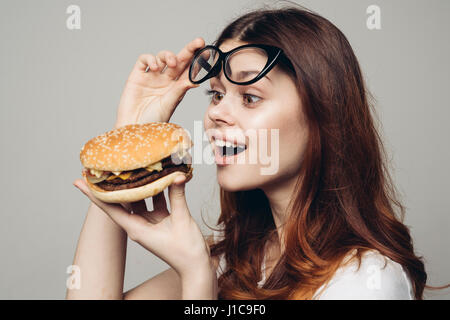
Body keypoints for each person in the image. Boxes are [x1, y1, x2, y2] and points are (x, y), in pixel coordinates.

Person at [67, 6, 430, 300]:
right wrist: (128, 137)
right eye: (216, 94)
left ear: (323, 113)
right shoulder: (236, 261)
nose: (215, 113)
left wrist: (196, 279)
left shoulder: (367, 281)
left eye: (250, 96)